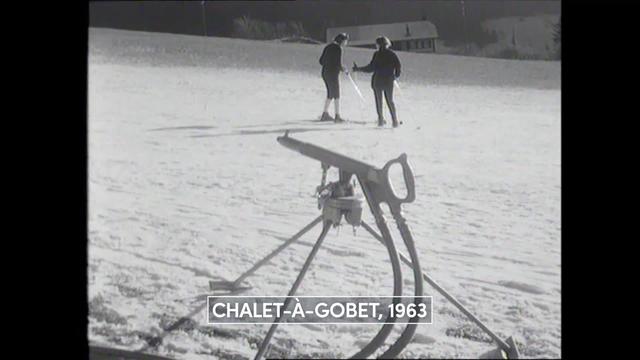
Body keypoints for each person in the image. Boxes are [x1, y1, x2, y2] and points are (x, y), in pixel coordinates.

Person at [352, 36, 402, 127]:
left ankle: (380, 119)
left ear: (378, 45)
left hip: (378, 80)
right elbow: (398, 66)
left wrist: (358, 69)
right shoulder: (392, 54)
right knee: (390, 100)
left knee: (378, 101)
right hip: (388, 80)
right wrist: (396, 76)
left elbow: (371, 68)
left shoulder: (377, 54)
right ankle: (394, 121)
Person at [319, 33, 349, 122]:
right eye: (346, 41)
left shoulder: (328, 47)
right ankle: (337, 115)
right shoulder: (338, 48)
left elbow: (321, 61)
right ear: (342, 41)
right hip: (333, 73)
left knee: (330, 93)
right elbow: (338, 63)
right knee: (336, 94)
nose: (346, 43)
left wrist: (329, 64)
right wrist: (343, 69)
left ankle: (325, 113)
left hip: (325, 72)